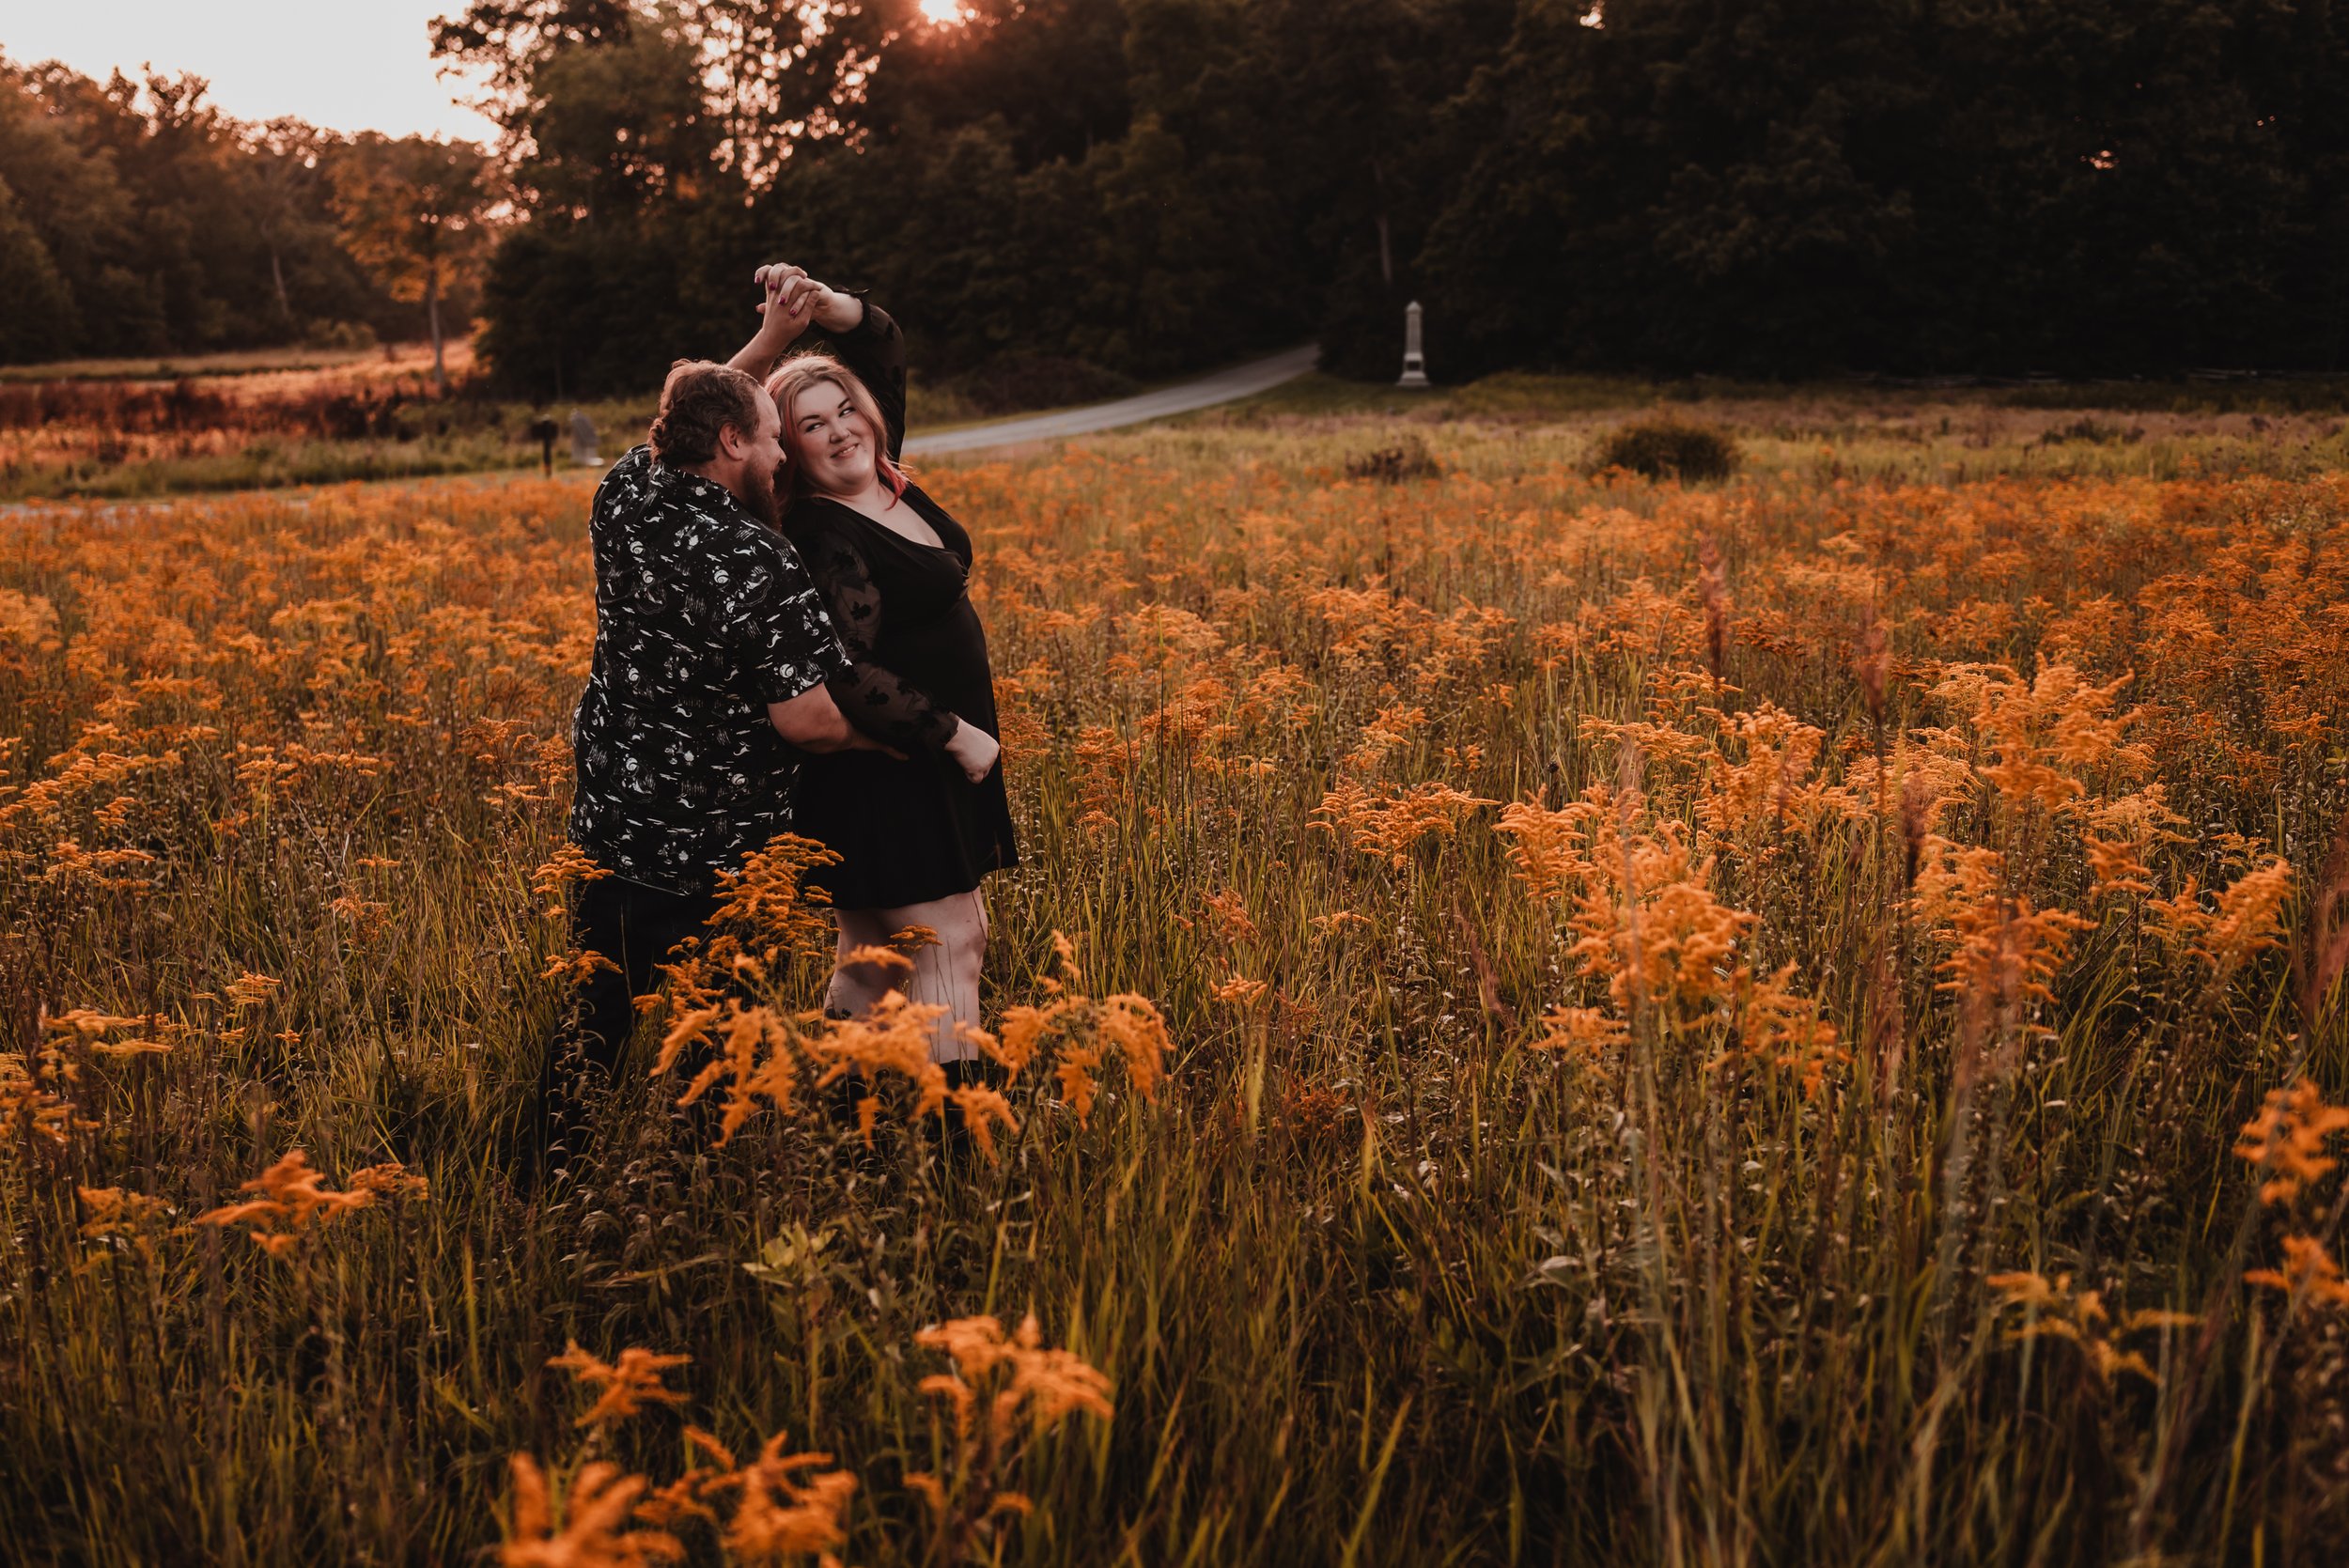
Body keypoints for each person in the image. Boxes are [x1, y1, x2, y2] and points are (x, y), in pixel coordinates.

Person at [541, 291, 888, 1183]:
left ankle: (543, 1173)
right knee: (719, 1043)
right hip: (720, 854)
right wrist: (905, 737)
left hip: (613, 827)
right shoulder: (759, 557)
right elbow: (806, 719)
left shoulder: (625, 492)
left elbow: (684, 421)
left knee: (591, 1026)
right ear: (734, 443)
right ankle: (699, 1181)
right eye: (772, 435)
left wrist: (772, 336)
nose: (782, 451)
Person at [730, 265, 1018, 1096]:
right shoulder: (820, 533)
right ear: (789, 447)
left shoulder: (887, 478)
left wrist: (818, 307)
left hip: (908, 765)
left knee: (869, 964)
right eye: (811, 424)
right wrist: (950, 733)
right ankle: (957, 1152)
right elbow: (840, 666)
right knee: (950, 946)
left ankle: (823, 1112)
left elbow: (882, 342)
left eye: (846, 408)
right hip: (892, 766)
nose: (840, 429)